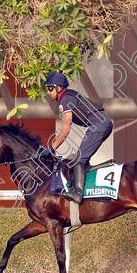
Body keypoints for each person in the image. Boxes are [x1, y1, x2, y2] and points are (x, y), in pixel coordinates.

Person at [39, 71, 113, 204]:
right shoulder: (68, 96)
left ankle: (78, 194)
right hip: (102, 124)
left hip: (99, 125)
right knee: (81, 158)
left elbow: (66, 129)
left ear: (58, 88)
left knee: (79, 159)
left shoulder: (65, 99)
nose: (48, 92)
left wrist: (51, 148)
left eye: (50, 88)